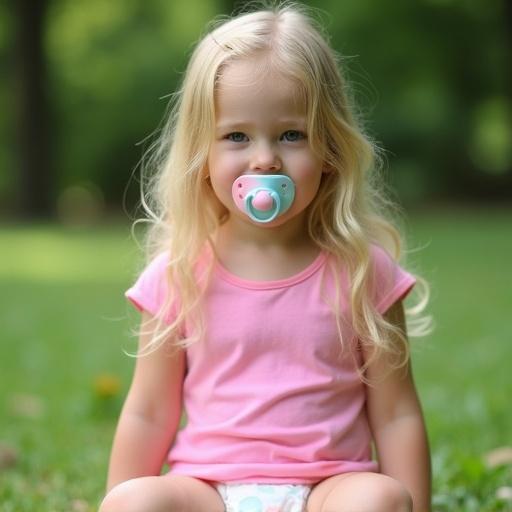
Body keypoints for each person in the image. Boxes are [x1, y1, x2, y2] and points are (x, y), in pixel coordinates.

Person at [99, 4, 432, 512]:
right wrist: (118, 498)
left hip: (329, 488)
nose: (264, 159)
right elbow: (147, 412)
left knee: (379, 500)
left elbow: (396, 415)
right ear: (202, 153)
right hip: (206, 490)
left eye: (291, 135)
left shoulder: (364, 271)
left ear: (330, 149)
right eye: (237, 136)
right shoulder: (178, 275)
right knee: (136, 503)